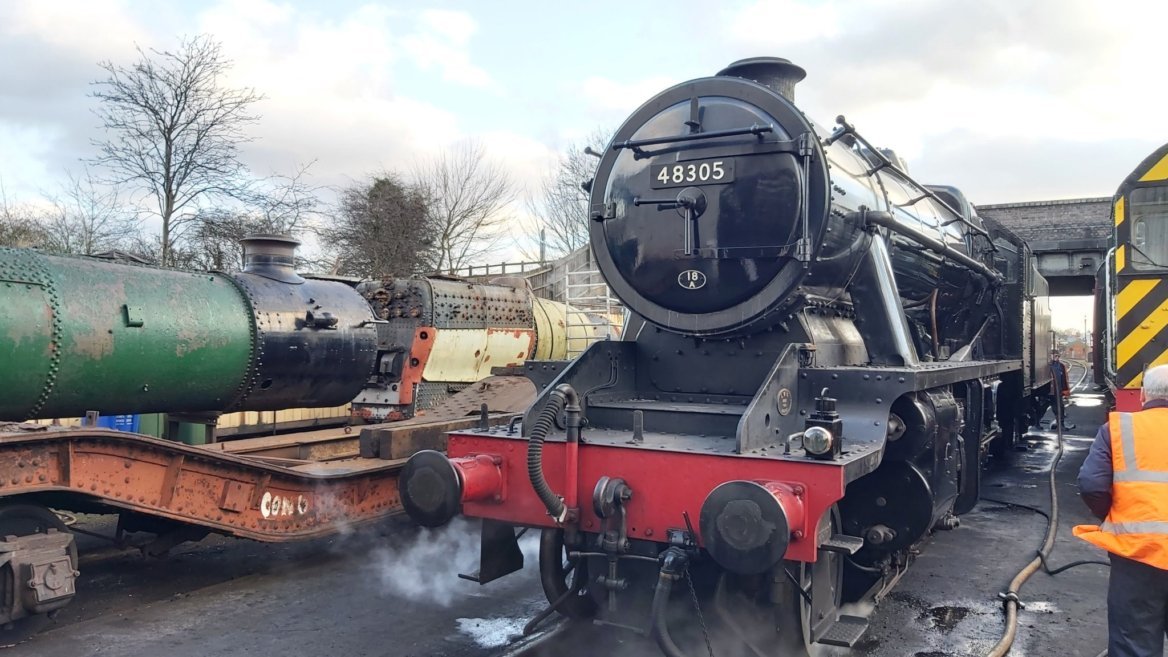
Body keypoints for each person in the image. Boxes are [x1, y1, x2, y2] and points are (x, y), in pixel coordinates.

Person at [1075, 364, 1168, 657]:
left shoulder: (1119, 428)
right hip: (1139, 553)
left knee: (1134, 644)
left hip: (1138, 554)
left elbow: (1091, 484)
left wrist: (1114, 516)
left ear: (1142, 396)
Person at [1034, 349, 1074, 431]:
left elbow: (1064, 379)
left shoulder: (1061, 366)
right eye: (1054, 355)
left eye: (1057, 356)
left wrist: (1065, 391)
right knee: (1041, 409)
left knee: (1059, 409)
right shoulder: (1045, 365)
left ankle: (1061, 424)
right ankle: (1037, 423)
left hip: (1057, 392)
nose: (1056, 357)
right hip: (1047, 392)